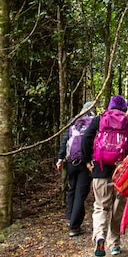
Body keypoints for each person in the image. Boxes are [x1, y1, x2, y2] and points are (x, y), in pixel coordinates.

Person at [81, 94, 128, 257]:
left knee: (101, 205)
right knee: (117, 208)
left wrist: (87, 160)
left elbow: (86, 139)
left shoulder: (99, 119)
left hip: (100, 170)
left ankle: (99, 235)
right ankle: (114, 244)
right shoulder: (127, 121)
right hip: (121, 172)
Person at [56, 101, 95, 236]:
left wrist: (60, 158)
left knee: (72, 190)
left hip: (71, 162)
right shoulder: (94, 122)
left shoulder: (74, 121)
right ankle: (74, 226)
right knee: (81, 193)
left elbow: (65, 140)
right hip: (85, 163)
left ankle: (69, 217)